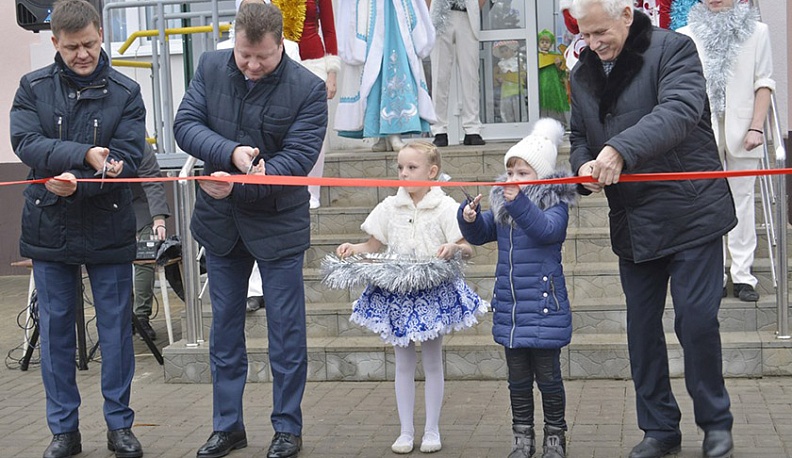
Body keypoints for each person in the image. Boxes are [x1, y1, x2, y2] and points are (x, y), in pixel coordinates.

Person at [567, 1, 737, 458]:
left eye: (601, 31)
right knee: (642, 330)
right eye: (585, 35)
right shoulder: (581, 74)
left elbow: (680, 111)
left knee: (696, 321)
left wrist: (619, 149)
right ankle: (660, 429)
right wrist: (582, 163)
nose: (594, 43)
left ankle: (716, 424)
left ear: (627, 14)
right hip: (634, 220)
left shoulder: (674, 49)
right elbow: (578, 135)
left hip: (692, 211)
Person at [173, 2, 327, 458]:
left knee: (285, 332)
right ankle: (227, 426)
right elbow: (186, 125)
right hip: (220, 227)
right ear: (234, 41)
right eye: (244, 55)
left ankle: (287, 428)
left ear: (281, 44)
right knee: (224, 332)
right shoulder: (209, 65)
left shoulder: (308, 89)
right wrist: (229, 153)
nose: (252, 65)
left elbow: (296, 162)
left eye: (262, 56)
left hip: (277, 225)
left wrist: (239, 182)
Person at [9, 0, 146, 457]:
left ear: (101, 34)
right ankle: (63, 431)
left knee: (115, 332)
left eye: (88, 43)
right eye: (71, 48)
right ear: (55, 44)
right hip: (50, 224)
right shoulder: (31, 87)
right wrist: (85, 155)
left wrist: (82, 179)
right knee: (55, 333)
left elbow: (126, 157)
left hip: (108, 222)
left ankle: (119, 426)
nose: (82, 54)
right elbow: (27, 143)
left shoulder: (127, 91)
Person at [334, 141, 487, 454]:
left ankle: (432, 429)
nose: (404, 173)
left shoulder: (446, 207)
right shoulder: (390, 207)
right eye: (400, 167)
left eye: (412, 168)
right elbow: (372, 245)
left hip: (431, 293)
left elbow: (467, 247)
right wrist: (354, 248)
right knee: (403, 362)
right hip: (399, 294)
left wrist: (454, 249)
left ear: (432, 172)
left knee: (432, 360)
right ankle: (406, 431)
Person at [458, 119, 575, 458]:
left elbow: (546, 232)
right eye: (510, 172)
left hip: (543, 307)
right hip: (511, 309)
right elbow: (482, 234)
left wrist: (517, 203)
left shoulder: (555, 204)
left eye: (522, 173)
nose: (512, 180)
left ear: (540, 177)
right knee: (518, 380)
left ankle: (556, 435)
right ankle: (522, 436)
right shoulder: (506, 205)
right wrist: (468, 218)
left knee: (549, 378)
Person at [246, 0, 341, 312]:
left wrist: (331, 71)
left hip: (312, 62)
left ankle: (311, 192)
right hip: (277, 62)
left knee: (313, 139)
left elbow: (328, 28)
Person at [678, 0, 774, 303]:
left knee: (742, 204)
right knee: (706, 205)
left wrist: (757, 127)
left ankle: (743, 274)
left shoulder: (758, 31)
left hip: (744, 131)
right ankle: (715, 273)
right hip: (701, 134)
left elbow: (764, 83)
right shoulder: (686, 34)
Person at [334, 0, 437, 152]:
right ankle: (380, 134)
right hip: (370, 12)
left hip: (394, 14)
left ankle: (394, 131)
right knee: (373, 73)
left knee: (395, 64)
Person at [429, 0, 486, 147]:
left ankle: (472, 129)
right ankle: (439, 129)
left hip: (466, 15)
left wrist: (474, 5)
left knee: (471, 75)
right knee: (439, 76)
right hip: (440, 14)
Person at [132, 142, 170, 340]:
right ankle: (122, 316)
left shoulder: (140, 144)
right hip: (105, 214)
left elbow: (153, 181)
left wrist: (159, 219)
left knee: (145, 258)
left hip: (142, 211)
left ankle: (141, 317)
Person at [536, 30, 570, 126]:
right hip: (541, 86)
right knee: (542, 106)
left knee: (555, 106)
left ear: (551, 44)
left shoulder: (555, 55)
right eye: (542, 42)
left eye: (547, 42)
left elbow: (561, 73)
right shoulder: (535, 56)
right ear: (538, 43)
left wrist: (558, 65)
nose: (544, 45)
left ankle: (558, 125)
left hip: (554, 87)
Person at [492, 40, 526, 123]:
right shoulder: (501, 64)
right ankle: (508, 124)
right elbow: (497, 75)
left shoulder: (518, 61)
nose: (505, 53)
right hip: (506, 90)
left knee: (519, 108)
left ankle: (521, 123)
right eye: (502, 51)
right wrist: (499, 78)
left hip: (517, 89)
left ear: (511, 50)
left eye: (506, 50)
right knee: (507, 109)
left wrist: (521, 75)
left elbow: (523, 73)